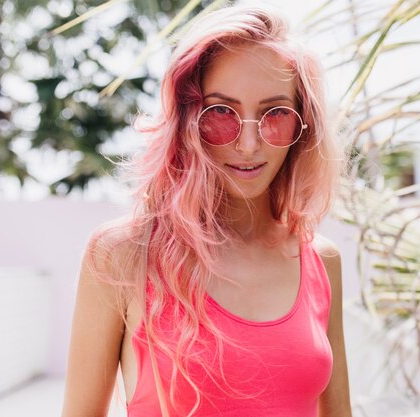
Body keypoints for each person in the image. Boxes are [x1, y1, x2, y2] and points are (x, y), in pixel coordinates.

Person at [61, 4, 351, 417]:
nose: (249, 145)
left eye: (275, 115)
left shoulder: (321, 262)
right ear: (186, 119)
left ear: (302, 126)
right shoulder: (122, 255)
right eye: (221, 113)